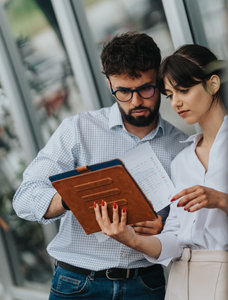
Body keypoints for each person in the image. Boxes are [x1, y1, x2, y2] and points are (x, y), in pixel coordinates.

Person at [12, 32, 187, 300]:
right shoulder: (78, 130)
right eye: (123, 92)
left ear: (159, 81)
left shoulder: (180, 146)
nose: (136, 101)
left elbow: (193, 225)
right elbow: (24, 199)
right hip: (78, 283)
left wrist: (164, 225)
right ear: (109, 85)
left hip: (146, 285)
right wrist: (72, 196)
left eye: (145, 89)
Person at [94, 44, 228, 300]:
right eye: (169, 94)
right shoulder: (181, 161)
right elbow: (175, 239)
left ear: (213, 84)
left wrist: (222, 200)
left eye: (184, 90)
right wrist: (130, 239)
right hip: (184, 281)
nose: (176, 102)